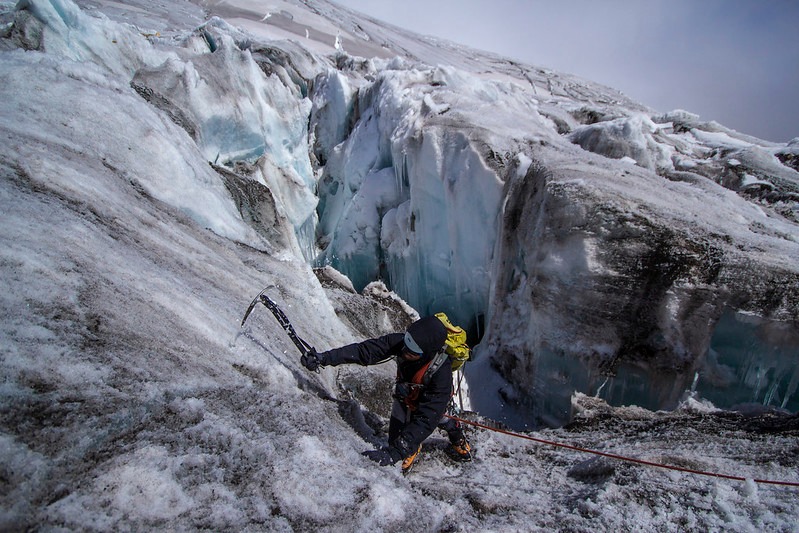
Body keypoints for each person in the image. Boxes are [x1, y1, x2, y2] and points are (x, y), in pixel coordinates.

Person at [301, 315, 472, 472]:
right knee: (395, 440)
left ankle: (456, 436)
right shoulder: (402, 344)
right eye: (407, 341)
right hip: (406, 394)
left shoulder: (441, 374)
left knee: (444, 419)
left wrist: (397, 453)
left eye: (412, 348)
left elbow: (428, 418)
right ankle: (412, 446)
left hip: (431, 401)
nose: (405, 349)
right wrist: (324, 358)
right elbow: (364, 351)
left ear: (426, 353)